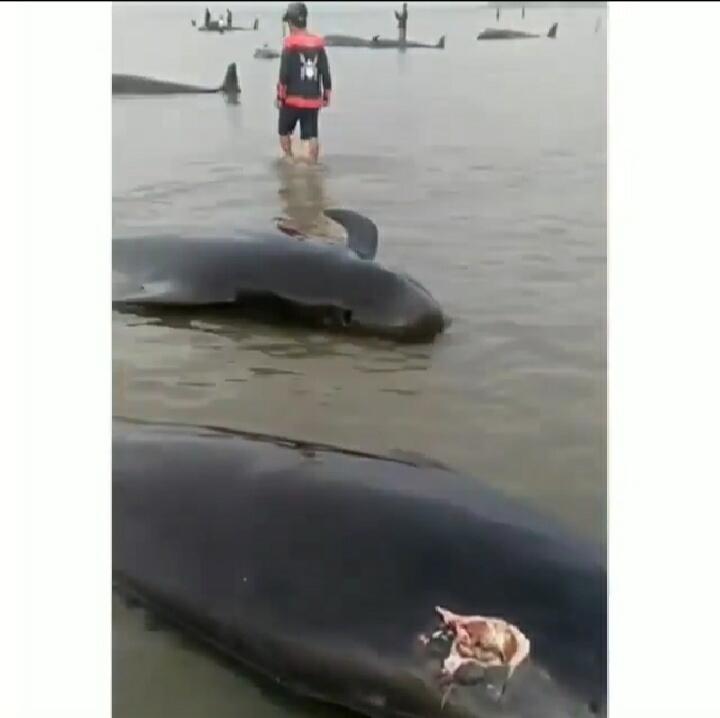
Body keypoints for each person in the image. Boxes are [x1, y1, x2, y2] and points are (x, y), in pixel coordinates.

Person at [276, 3, 332, 164]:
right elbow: (325, 72)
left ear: (291, 23)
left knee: (284, 132)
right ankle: (313, 165)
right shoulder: (318, 45)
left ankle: (289, 159)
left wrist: (280, 98)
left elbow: (283, 75)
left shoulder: (289, 46)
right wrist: (326, 95)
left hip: (291, 100)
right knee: (311, 135)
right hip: (312, 99)